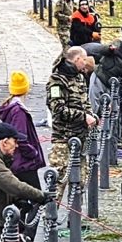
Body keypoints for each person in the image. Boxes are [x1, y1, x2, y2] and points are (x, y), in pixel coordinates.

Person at [45, 45, 98, 175]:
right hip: (63, 139)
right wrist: (83, 116)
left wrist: (91, 116)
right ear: (77, 59)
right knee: (58, 181)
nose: (86, 63)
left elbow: (85, 101)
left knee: (81, 182)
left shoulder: (79, 77)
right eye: (84, 60)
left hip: (81, 137)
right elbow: (58, 110)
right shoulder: (57, 81)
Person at [0, 70, 47, 181]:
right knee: (36, 196)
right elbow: (20, 137)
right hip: (24, 163)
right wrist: (33, 152)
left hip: (16, 161)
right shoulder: (19, 111)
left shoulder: (10, 107)